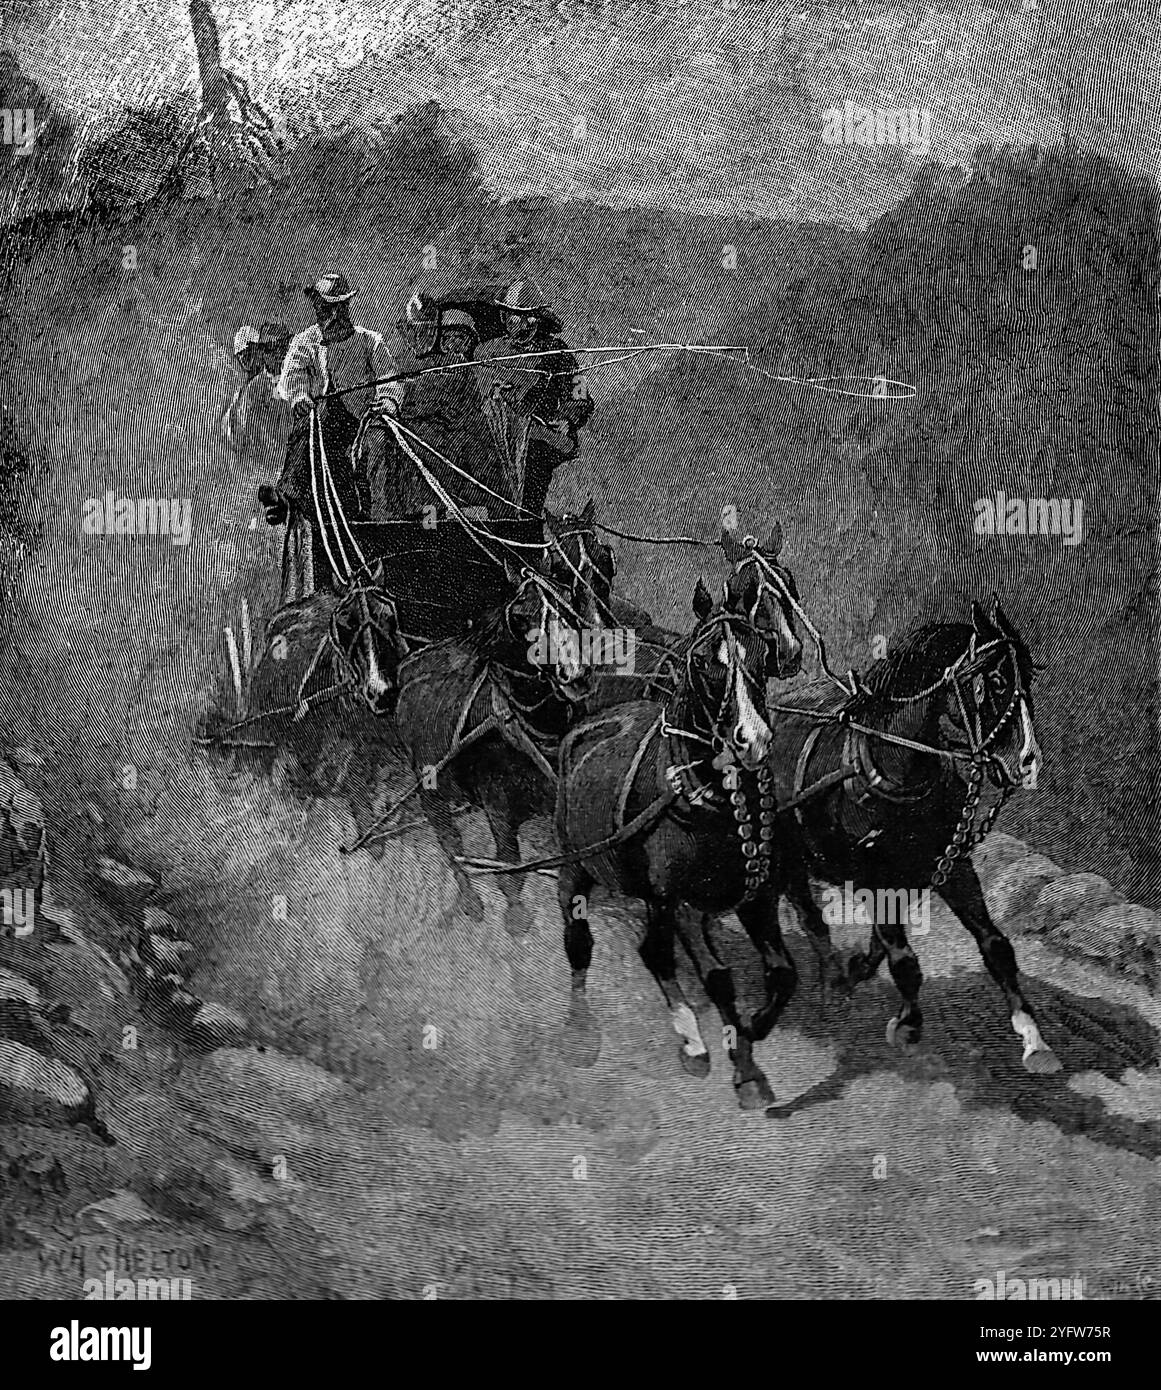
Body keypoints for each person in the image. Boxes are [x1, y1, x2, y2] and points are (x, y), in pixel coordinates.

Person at [265, 274, 404, 597]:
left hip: (361, 424)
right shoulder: (304, 342)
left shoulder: (370, 341)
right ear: (316, 309)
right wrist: (300, 398)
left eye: (337, 309)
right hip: (321, 426)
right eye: (324, 309)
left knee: (382, 443)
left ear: (346, 307)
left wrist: (387, 401)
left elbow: (390, 378)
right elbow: (292, 380)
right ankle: (287, 496)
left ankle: (381, 522)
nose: (332, 316)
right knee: (309, 427)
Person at [474, 277, 594, 518]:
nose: (516, 324)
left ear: (536, 320)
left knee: (532, 459)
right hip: (497, 436)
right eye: (510, 317)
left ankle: (527, 525)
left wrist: (566, 420)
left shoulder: (557, 353)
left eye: (523, 317)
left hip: (539, 435)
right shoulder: (489, 352)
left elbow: (580, 396)